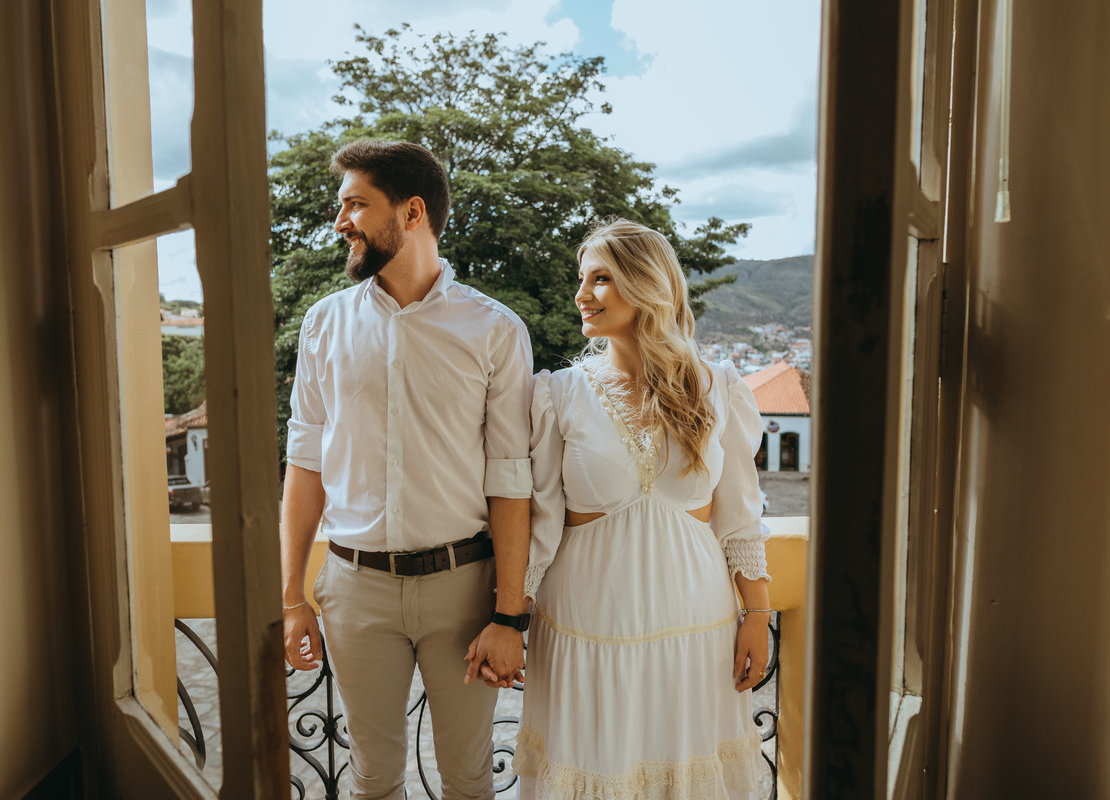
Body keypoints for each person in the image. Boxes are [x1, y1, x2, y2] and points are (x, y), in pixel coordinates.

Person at [280, 140, 533, 800]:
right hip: (355, 588)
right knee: (371, 781)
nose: (341, 222)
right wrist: (289, 597)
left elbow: (511, 478)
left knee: (471, 780)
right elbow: (305, 467)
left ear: (412, 211)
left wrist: (509, 616)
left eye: (356, 205)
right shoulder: (322, 326)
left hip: (465, 590)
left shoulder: (495, 330)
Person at [508, 219, 772, 799]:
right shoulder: (559, 393)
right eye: (582, 279)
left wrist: (757, 613)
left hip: (695, 631)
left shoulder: (716, 386)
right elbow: (541, 521)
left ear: (646, 284)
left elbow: (738, 516)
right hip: (584, 629)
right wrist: (509, 618)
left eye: (599, 279)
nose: (582, 295)